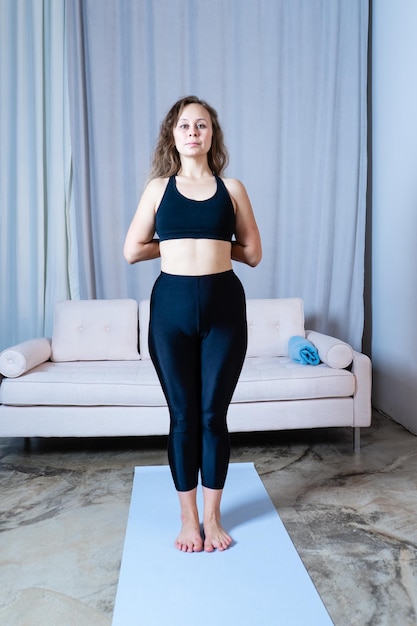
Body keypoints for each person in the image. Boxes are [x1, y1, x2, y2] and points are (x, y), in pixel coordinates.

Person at [124, 95, 262, 553]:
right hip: (171, 310)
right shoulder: (158, 190)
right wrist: (176, 244)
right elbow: (132, 249)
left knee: (213, 415)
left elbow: (253, 254)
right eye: (185, 126)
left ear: (211, 135)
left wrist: (213, 245)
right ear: (174, 135)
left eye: (201, 125)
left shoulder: (234, 188)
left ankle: (213, 516)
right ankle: (188, 520)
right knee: (183, 417)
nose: (193, 132)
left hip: (224, 308)